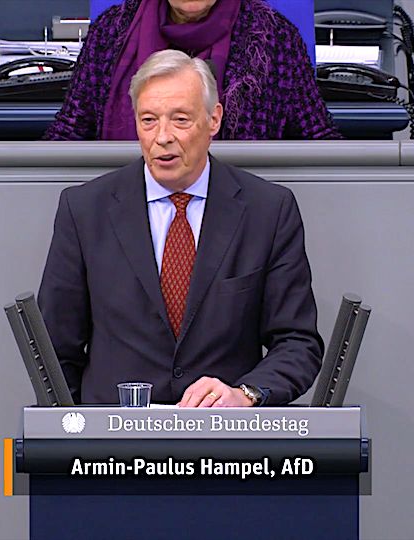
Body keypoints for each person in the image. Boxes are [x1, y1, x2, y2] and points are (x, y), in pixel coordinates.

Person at [38, 50, 323, 406]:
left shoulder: (268, 210)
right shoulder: (84, 210)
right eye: (148, 120)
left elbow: (297, 342)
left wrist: (245, 395)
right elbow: (54, 349)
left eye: (180, 120)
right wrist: (76, 428)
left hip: (224, 436)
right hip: (113, 436)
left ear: (214, 119)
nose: (162, 137)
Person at [43, 0, 340, 141]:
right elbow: (70, 130)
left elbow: (317, 134)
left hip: (237, 214)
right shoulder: (111, 31)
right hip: (126, 209)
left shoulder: (274, 36)